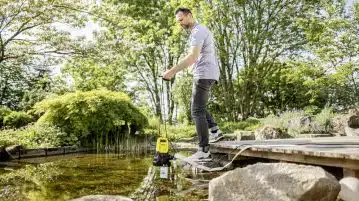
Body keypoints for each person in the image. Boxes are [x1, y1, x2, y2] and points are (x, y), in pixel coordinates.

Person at [162, 7, 223, 160]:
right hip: (208, 73)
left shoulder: (198, 31)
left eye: (181, 19)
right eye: (178, 21)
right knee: (199, 106)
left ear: (189, 15)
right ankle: (215, 131)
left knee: (196, 110)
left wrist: (171, 71)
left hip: (204, 73)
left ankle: (203, 150)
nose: (180, 23)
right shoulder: (198, 32)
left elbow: (193, 57)